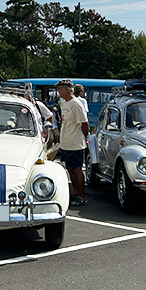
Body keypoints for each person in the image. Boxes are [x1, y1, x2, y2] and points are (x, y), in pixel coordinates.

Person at [57, 78, 89, 206]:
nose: (58, 91)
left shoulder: (76, 104)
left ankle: (82, 195)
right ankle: (75, 193)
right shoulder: (63, 103)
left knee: (77, 169)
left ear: (66, 90)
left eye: (59, 89)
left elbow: (84, 123)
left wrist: (85, 136)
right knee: (69, 168)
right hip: (66, 141)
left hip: (75, 142)